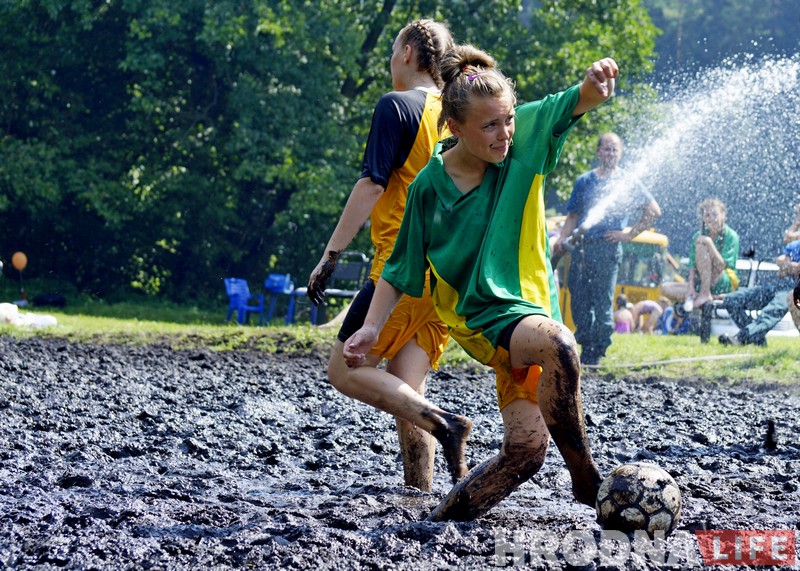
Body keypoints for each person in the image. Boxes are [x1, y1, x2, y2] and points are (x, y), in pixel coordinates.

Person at [343, 44, 618, 521]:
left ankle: (439, 522)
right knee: (562, 345)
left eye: (508, 120)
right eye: (490, 125)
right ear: (453, 129)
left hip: (532, 308)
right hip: (483, 317)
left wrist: (595, 85)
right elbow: (400, 268)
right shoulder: (429, 186)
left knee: (526, 452)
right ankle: (586, 480)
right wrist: (371, 327)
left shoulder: (523, 136)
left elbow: (579, 99)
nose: (504, 134)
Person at [306, 19, 471, 491]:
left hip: (399, 271)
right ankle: (421, 495)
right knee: (405, 390)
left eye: (392, 47)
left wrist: (330, 254)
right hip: (449, 277)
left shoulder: (397, 106)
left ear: (406, 52)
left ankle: (449, 424)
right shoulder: (460, 111)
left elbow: (372, 184)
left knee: (344, 371)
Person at [553, 133, 661, 365]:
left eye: (615, 150)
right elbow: (573, 216)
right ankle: (586, 344)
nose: (611, 153)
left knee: (602, 303)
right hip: (580, 250)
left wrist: (628, 234)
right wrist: (562, 239)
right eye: (607, 149)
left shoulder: (627, 183)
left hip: (607, 250)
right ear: (598, 152)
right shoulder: (584, 181)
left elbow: (653, 210)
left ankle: (597, 351)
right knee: (579, 302)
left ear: (620, 154)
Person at [719, 237, 800, 346]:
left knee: (772, 311)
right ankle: (757, 338)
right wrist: (788, 266)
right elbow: (780, 264)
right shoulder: (795, 245)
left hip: (794, 289)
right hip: (779, 285)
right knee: (731, 300)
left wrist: (788, 266)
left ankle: (741, 337)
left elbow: (787, 265)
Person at [661, 198, 740, 310]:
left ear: (723, 215)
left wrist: (709, 243)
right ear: (703, 218)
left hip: (721, 280)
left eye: (715, 214)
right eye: (707, 215)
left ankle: (705, 294)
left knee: (702, 245)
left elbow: (721, 266)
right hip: (702, 280)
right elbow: (692, 266)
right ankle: (705, 296)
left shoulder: (731, 236)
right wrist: (691, 287)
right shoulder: (697, 235)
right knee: (665, 288)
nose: (711, 219)